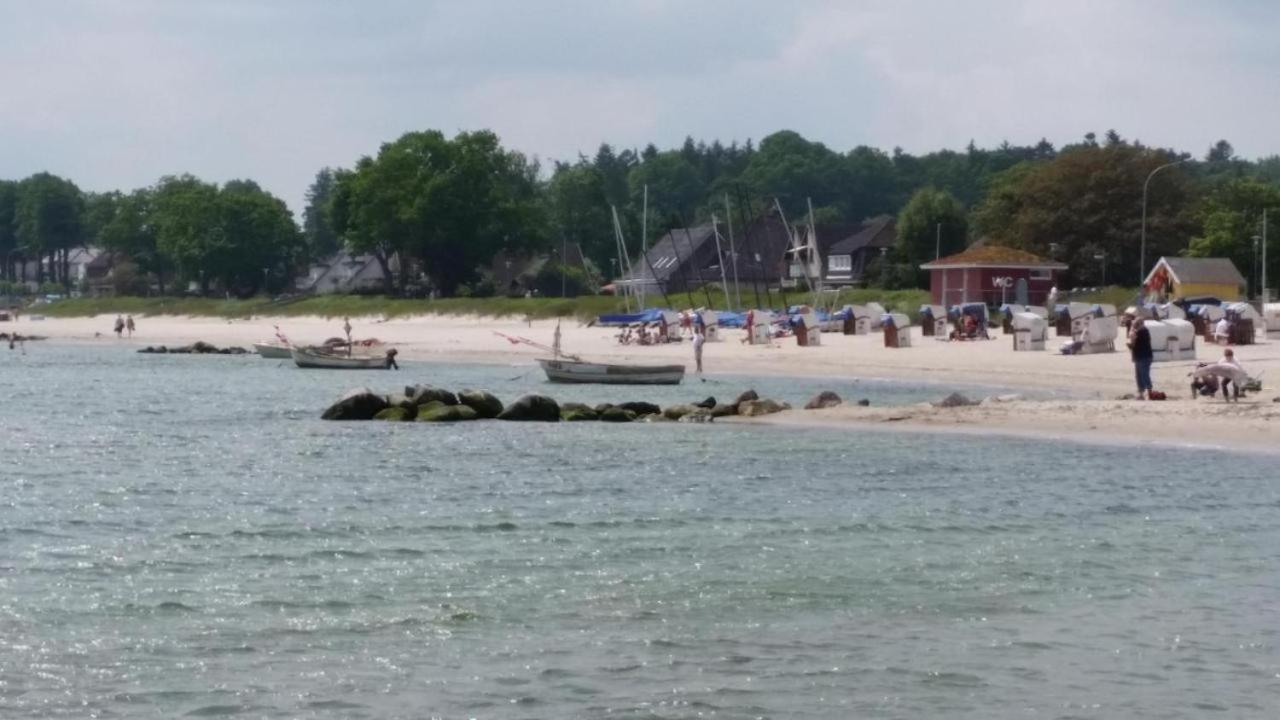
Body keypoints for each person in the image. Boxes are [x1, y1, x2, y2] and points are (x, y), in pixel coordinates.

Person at [1127, 317, 1154, 400]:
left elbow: (1133, 342)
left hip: (1143, 356)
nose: (1134, 325)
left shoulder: (1142, 332)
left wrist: (1132, 329)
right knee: (1140, 375)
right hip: (1141, 356)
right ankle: (1143, 393)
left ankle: (1148, 393)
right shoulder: (1143, 331)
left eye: (1136, 324)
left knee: (1143, 375)